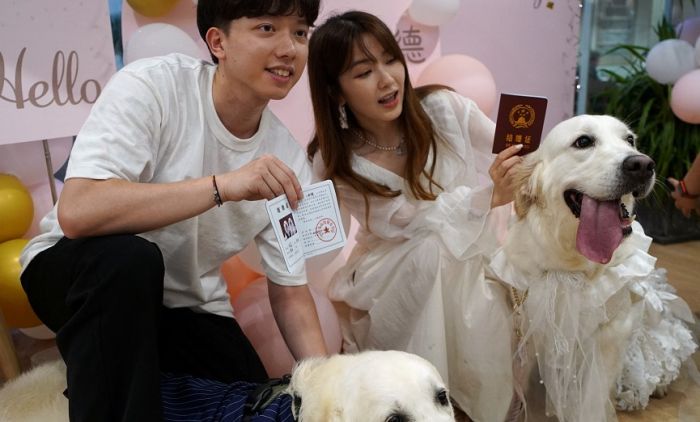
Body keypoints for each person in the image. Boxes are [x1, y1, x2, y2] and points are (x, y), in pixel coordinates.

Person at [19, 0, 326, 420]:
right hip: (78, 272)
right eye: (267, 28)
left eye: (301, 32)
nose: (289, 48)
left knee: (249, 401)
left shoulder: (286, 159)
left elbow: (289, 291)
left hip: (182, 304)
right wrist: (222, 186)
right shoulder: (152, 86)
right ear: (218, 42)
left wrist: (329, 383)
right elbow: (78, 210)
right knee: (131, 259)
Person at [306, 11, 523, 422]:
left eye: (391, 60)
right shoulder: (334, 158)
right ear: (336, 91)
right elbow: (324, 243)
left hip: (468, 258)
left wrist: (513, 175)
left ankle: (468, 401)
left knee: (448, 253)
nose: (387, 79)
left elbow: (515, 153)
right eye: (364, 72)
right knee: (432, 250)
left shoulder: (443, 109)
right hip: (393, 275)